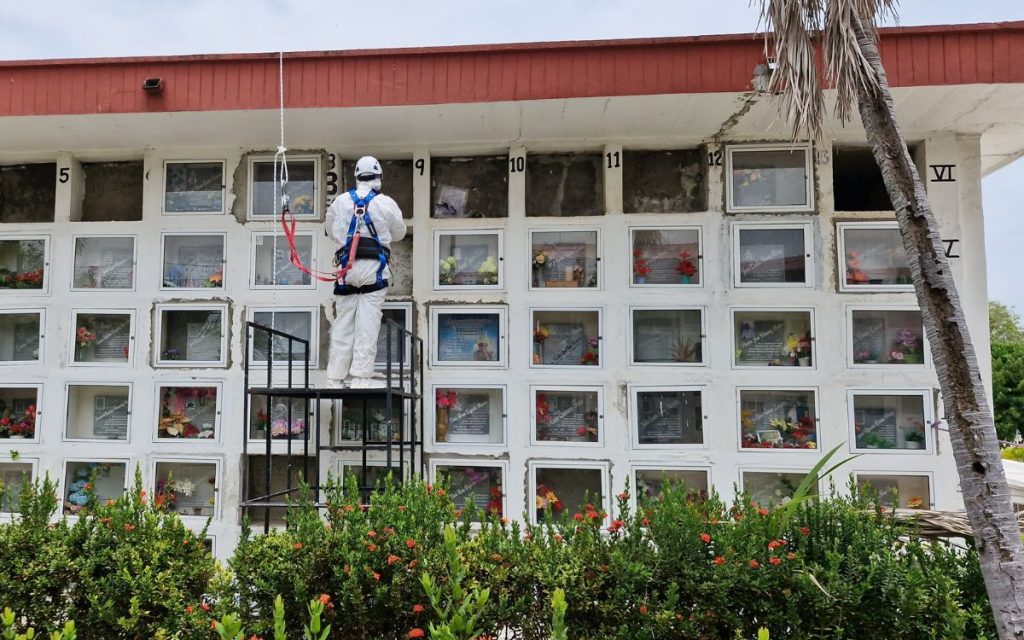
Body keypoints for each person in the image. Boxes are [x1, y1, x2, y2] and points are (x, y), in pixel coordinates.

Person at [325, 156, 406, 389]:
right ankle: (361, 377)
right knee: (368, 323)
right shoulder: (386, 203)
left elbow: (330, 231)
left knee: (343, 323)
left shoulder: (339, 202)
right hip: (375, 270)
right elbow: (399, 233)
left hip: (346, 270)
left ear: (357, 177)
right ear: (379, 177)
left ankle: (335, 377)